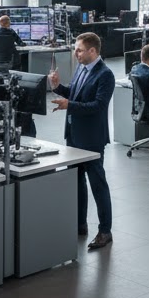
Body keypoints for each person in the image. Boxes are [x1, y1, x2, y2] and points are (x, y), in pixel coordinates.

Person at [49, 32, 114, 250]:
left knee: (98, 185)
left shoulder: (105, 75)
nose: (75, 53)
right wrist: (58, 87)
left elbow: (98, 106)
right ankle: (79, 224)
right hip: (74, 134)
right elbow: (75, 94)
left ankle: (105, 231)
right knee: (76, 182)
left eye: (79, 50)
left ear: (93, 51)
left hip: (92, 138)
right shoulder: (81, 68)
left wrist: (70, 105)